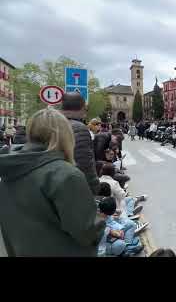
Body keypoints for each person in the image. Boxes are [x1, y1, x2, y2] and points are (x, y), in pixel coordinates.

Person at [0, 108, 105, 256]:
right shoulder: (65, 175)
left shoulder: (8, 171)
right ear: (64, 135)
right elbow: (86, 231)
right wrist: (100, 220)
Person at [61, 92, 99, 195]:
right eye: (85, 110)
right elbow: (84, 164)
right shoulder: (79, 128)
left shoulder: (51, 123)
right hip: (71, 186)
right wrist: (94, 188)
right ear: (82, 108)